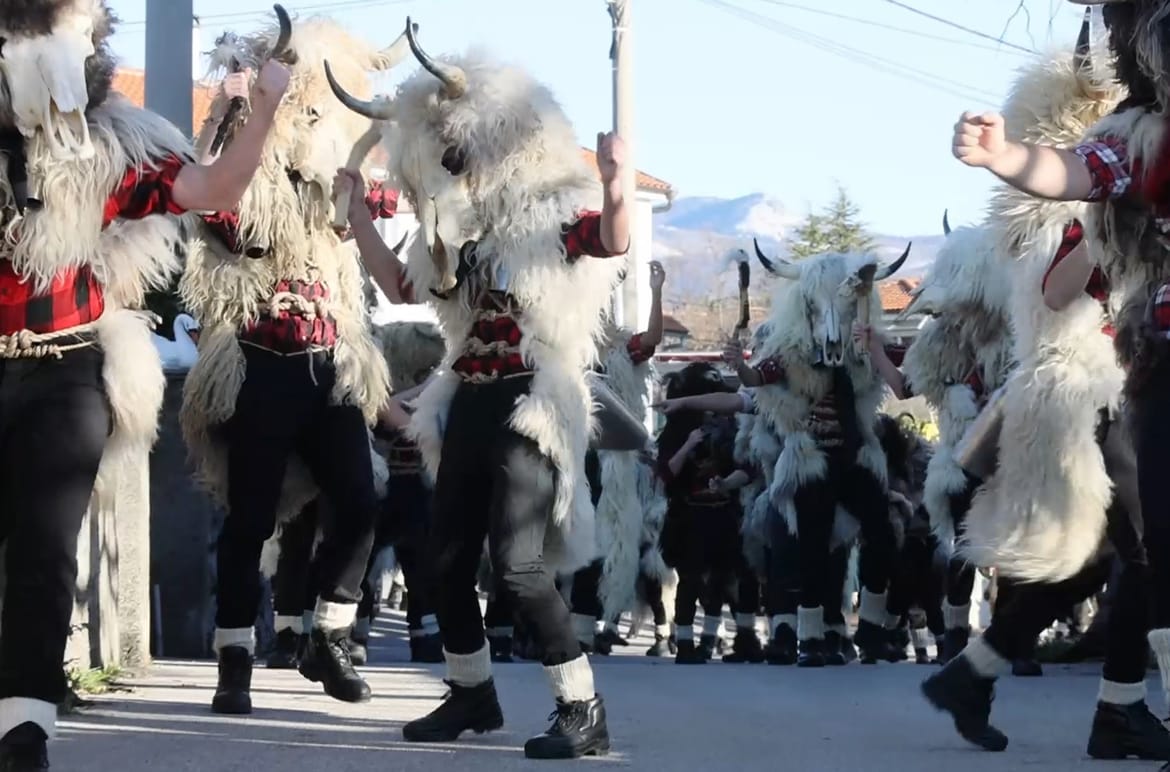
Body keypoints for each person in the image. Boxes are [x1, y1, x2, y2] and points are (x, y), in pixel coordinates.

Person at [0, 3, 290, 767]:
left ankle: (24, 730)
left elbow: (212, 187)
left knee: (45, 547)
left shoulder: (104, 147)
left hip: (62, 367)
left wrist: (259, 115)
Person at [329, 22, 630, 758]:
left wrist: (620, 184)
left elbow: (609, 240)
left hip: (531, 400)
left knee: (520, 565)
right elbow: (402, 286)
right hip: (467, 394)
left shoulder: (552, 210)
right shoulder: (452, 232)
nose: (455, 165)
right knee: (444, 558)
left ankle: (582, 710)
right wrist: (360, 215)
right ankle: (471, 692)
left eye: (463, 150)